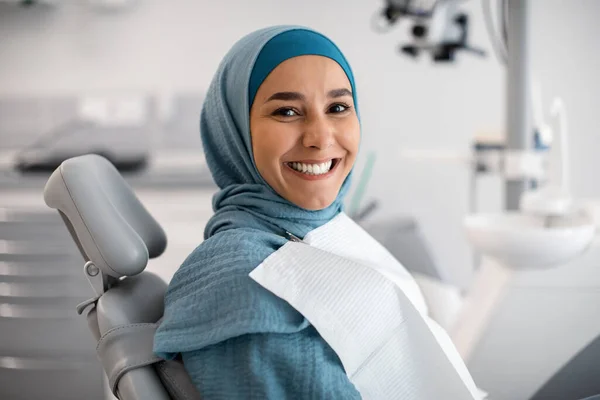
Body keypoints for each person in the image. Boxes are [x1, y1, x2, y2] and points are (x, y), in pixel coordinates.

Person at [153, 26, 363, 398]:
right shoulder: (249, 281)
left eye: (338, 108)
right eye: (286, 111)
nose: (320, 137)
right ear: (234, 131)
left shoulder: (321, 234)